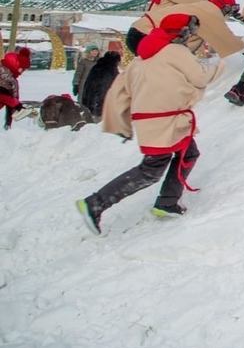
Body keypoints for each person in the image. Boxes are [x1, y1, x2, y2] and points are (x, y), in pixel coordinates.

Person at [76, 14, 220, 232]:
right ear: (181, 33)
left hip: (151, 119)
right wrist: (222, 64)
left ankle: (168, 202)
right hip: (167, 118)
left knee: (188, 153)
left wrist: (120, 121)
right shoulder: (175, 51)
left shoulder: (141, 57)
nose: (190, 36)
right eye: (188, 31)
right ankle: (95, 203)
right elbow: (200, 76)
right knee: (151, 170)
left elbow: (120, 90)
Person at [128, 0, 244, 61]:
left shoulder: (201, 6)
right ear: (225, 8)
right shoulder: (211, 12)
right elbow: (225, 37)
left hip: (138, 31)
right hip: (146, 35)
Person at [0, 47, 31, 130]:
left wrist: (19, 108)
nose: (22, 71)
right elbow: (4, 96)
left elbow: (13, 100)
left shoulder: (12, 81)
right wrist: (16, 104)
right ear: (16, 63)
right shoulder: (2, 73)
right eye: (22, 68)